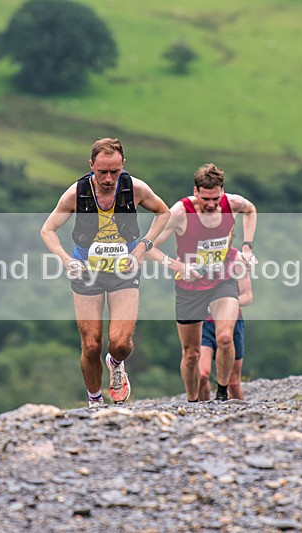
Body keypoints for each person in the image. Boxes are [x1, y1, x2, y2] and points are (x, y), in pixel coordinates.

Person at [40, 138, 170, 408]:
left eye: (115, 171)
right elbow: (47, 230)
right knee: (90, 344)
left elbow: (163, 212)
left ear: (123, 165)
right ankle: (95, 401)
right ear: (91, 166)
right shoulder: (76, 193)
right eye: (102, 172)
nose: (109, 178)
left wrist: (143, 247)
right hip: (86, 271)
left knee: (120, 343)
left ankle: (116, 363)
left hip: (124, 270)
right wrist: (65, 259)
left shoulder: (135, 188)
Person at [146, 163, 257, 401]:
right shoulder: (180, 212)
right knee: (192, 354)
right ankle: (192, 400)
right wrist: (177, 266)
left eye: (215, 198)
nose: (211, 204)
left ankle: (222, 394)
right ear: (196, 192)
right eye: (206, 198)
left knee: (225, 337)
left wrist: (247, 247)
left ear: (222, 191)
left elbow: (251, 210)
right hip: (190, 288)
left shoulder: (232, 204)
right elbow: (148, 247)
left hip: (222, 280)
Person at [198, 247, 253, 401]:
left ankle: (241, 417)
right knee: (201, 376)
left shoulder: (236, 258)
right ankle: (201, 414)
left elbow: (248, 296)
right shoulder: (195, 255)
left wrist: (224, 304)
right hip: (205, 325)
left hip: (232, 323)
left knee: (233, 382)